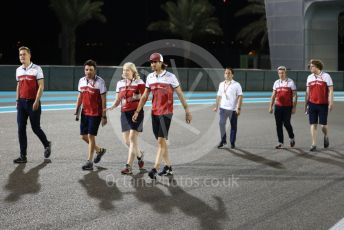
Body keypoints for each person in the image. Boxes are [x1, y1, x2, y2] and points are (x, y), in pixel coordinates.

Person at [132, 53, 192, 179]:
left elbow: (180, 94)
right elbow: (144, 96)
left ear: (161, 63)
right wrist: (137, 111)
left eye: (155, 62)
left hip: (166, 113)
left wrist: (187, 110)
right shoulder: (150, 77)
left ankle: (155, 168)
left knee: (160, 141)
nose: (152, 64)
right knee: (162, 142)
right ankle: (168, 167)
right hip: (154, 112)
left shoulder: (171, 77)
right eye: (151, 62)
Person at [14, 46, 51, 163]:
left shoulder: (37, 69)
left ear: (30, 55)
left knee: (35, 128)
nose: (22, 56)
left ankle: (46, 144)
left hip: (33, 103)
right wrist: (17, 100)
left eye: (24, 54)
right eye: (20, 55)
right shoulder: (18, 70)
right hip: (21, 103)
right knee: (20, 128)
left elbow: (41, 86)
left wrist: (36, 100)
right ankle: (23, 156)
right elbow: (19, 85)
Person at [107, 62, 145, 174]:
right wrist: (112, 106)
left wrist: (137, 100)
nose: (125, 72)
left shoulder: (139, 82)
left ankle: (128, 167)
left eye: (127, 70)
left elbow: (146, 98)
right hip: (124, 113)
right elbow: (118, 99)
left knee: (133, 139)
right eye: (124, 70)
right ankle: (139, 155)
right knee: (128, 141)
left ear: (133, 71)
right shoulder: (120, 83)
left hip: (136, 112)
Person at [75, 59, 107, 170]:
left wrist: (104, 115)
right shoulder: (81, 81)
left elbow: (104, 99)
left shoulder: (100, 82)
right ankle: (99, 150)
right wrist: (77, 109)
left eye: (91, 70)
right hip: (85, 112)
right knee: (83, 136)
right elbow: (80, 96)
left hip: (95, 113)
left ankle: (89, 162)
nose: (88, 72)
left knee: (90, 136)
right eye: (87, 69)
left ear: (95, 70)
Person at [305, 59, 334, 151]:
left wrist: (331, 102)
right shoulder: (309, 77)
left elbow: (331, 90)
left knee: (323, 125)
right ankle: (313, 144)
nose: (310, 67)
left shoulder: (326, 76)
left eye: (312, 66)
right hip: (312, 104)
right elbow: (307, 92)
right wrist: (306, 105)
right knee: (313, 124)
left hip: (323, 104)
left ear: (317, 67)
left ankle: (326, 135)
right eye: (310, 66)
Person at [213, 67, 243, 149]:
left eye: (229, 73)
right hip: (223, 109)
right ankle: (223, 141)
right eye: (226, 73)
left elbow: (240, 96)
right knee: (221, 124)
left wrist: (238, 108)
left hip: (233, 109)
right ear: (224, 75)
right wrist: (216, 106)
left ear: (232, 75)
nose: (227, 74)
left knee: (233, 126)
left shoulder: (237, 84)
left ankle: (232, 142)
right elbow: (219, 96)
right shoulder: (221, 84)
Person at [269, 66, 297, 149]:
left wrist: (294, 107)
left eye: (282, 73)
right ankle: (280, 142)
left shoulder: (291, 82)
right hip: (278, 107)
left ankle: (291, 137)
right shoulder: (276, 83)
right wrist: (270, 106)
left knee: (286, 123)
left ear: (285, 73)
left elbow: (295, 95)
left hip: (288, 107)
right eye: (279, 73)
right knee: (278, 125)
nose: (281, 74)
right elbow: (273, 95)